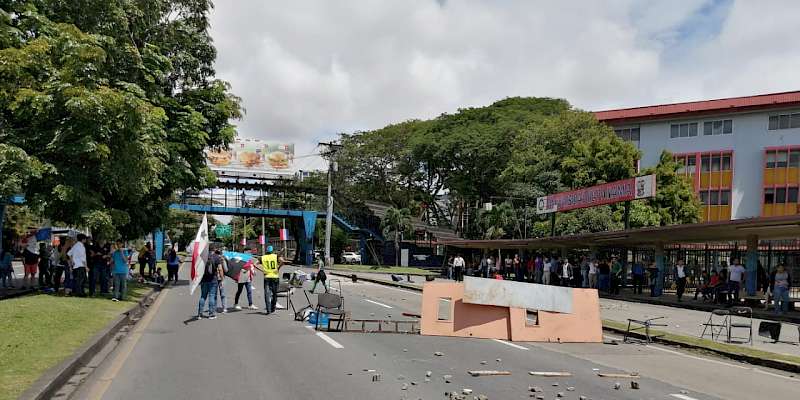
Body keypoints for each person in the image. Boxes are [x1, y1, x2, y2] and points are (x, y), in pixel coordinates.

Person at [197, 250, 222, 320]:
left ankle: (200, 314)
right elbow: (220, 269)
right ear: (213, 250)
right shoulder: (216, 257)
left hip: (203, 280)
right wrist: (222, 279)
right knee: (212, 296)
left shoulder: (202, 257)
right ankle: (211, 314)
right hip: (213, 280)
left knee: (203, 296)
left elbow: (198, 268)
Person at [261, 245, 282, 314]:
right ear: (272, 251)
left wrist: (263, 271)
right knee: (274, 293)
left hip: (267, 277)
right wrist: (278, 268)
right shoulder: (275, 256)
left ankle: (268, 310)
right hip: (275, 277)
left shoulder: (263, 257)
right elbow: (283, 262)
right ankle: (273, 308)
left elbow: (255, 264)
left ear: (267, 251)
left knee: (267, 294)